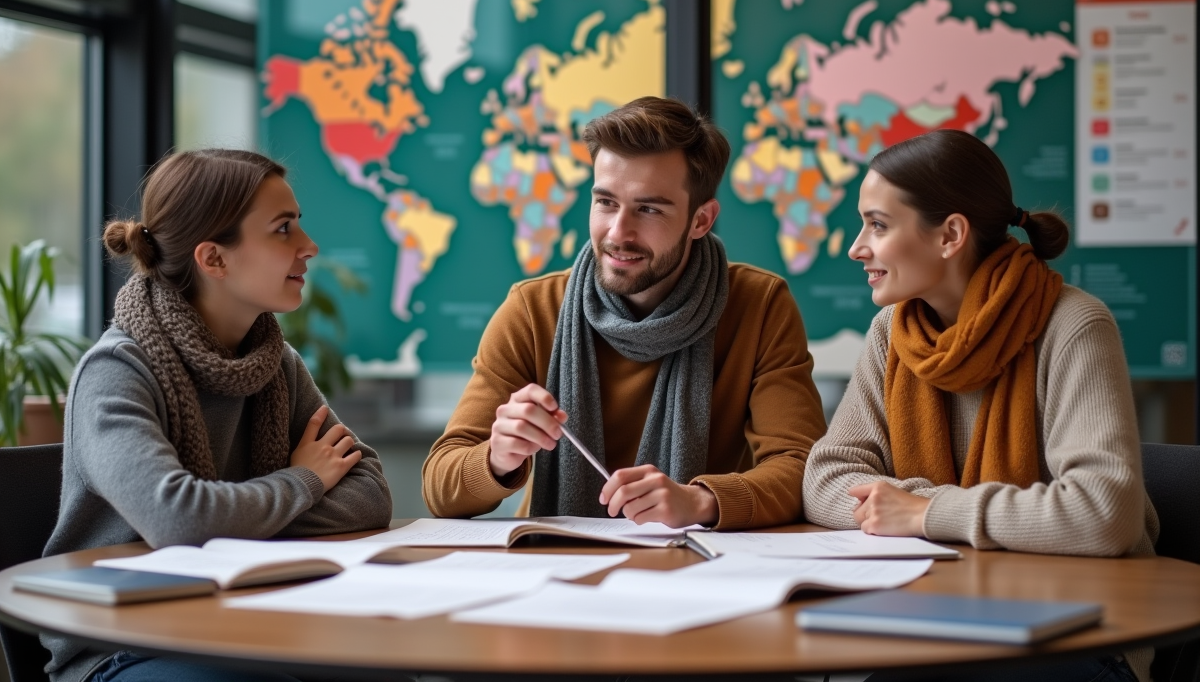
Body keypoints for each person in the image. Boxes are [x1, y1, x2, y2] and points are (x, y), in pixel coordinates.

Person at [802, 129, 1158, 682]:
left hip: (1080, 631)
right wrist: (908, 508)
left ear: (949, 234)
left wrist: (923, 513)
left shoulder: (1073, 326)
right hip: (938, 614)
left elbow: (1102, 514)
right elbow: (826, 476)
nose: (856, 247)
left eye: (877, 224)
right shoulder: (891, 334)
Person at [43, 149, 393, 682]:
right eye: (283, 230)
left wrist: (229, 519)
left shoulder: (274, 364)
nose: (309, 247)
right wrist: (302, 480)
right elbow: (180, 520)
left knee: (383, 670)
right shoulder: (116, 371)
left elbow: (369, 493)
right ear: (214, 259)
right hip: (124, 645)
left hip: (249, 621)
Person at [423, 96, 826, 530]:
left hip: (694, 569)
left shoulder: (759, 305)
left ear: (701, 220)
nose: (618, 233)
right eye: (606, 203)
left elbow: (800, 469)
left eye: (648, 209)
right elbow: (439, 487)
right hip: (556, 565)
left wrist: (700, 501)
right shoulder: (532, 309)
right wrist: (497, 457)